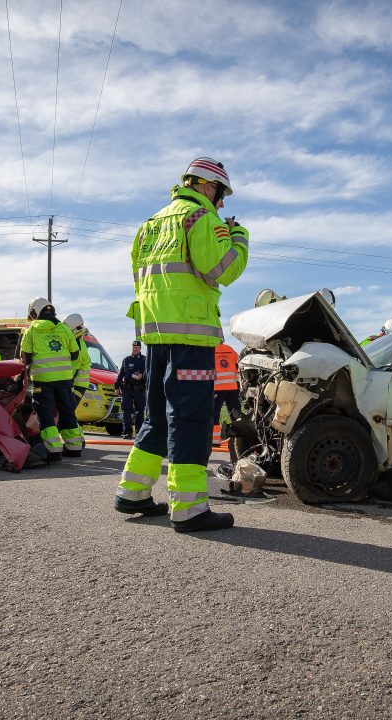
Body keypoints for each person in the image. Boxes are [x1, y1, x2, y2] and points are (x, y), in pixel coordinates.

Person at [114, 156, 249, 532]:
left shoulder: (149, 226)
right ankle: (189, 509)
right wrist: (238, 238)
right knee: (190, 419)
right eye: (221, 195)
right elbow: (221, 269)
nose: (221, 204)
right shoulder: (199, 219)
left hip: (155, 335)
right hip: (191, 336)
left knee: (156, 417)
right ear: (207, 187)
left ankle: (133, 493)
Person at [20, 297, 81, 461]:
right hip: (65, 380)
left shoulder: (32, 330)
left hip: (42, 380)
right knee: (67, 412)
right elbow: (75, 353)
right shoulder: (63, 328)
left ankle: (54, 451)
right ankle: (74, 448)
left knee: (45, 413)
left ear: (35, 312)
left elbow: (25, 357)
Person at [114, 340, 147, 439]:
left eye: (137, 347)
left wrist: (142, 376)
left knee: (140, 411)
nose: (135, 349)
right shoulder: (126, 360)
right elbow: (121, 374)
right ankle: (127, 432)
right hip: (127, 389)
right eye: (133, 347)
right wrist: (116, 387)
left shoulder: (145, 360)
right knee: (126, 411)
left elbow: (149, 374)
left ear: (140, 348)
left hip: (140, 389)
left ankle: (139, 432)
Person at [212, 342, 240, 445]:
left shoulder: (211, 350)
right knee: (235, 412)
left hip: (217, 388)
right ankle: (239, 440)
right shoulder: (230, 349)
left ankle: (215, 441)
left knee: (214, 414)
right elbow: (238, 364)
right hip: (232, 387)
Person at [65, 313, 92, 401]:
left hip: (77, 385)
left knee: (67, 411)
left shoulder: (78, 347)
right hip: (78, 384)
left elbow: (74, 368)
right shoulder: (79, 342)